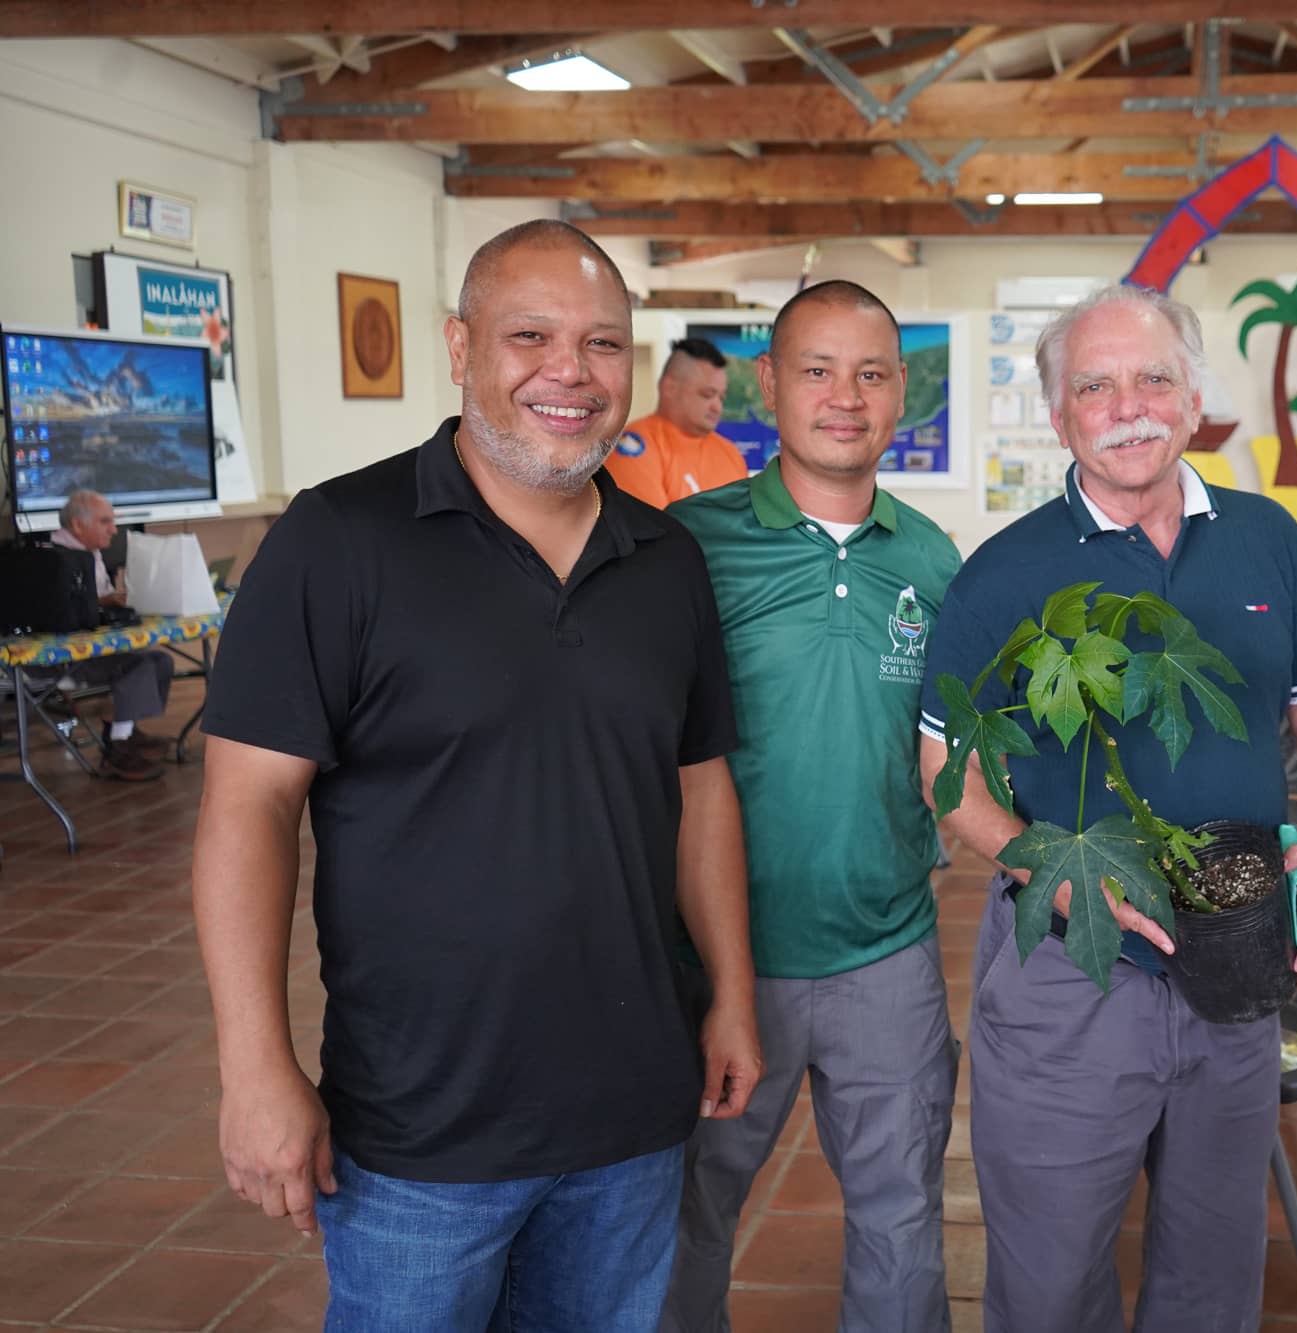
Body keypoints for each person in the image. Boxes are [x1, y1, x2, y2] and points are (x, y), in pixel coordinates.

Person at [190, 220, 762, 1332]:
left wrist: (731, 995)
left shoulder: (666, 560)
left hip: (633, 1114)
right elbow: (247, 808)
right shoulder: (338, 540)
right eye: (530, 335)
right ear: (459, 347)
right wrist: (254, 1067)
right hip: (420, 1130)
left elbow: (700, 789)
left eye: (602, 343)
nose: (569, 371)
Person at [917, 284, 1297, 1333]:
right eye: (1094, 385)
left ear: (1195, 395)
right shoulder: (1004, 575)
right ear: (1057, 412)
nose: (1128, 405)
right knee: (1048, 1273)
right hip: (1071, 971)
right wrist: (1053, 870)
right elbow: (947, 776)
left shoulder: (1267, 541)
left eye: (1153, 377)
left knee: (1212, 1271)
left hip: (1239, 958)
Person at [662, 281, 961, 1333]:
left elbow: (947, 760)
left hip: (888, 953)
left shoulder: (931, 560)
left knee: (899, 1220)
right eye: (817, 370)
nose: (846, 396)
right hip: (718, 958)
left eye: (871, 373)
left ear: (900, 395)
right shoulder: (682, 549)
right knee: (684, 1217)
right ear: (767, 386)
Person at [44, 489, 171, 780]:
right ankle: (117, 748)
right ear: (77, 525)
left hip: (93, 648)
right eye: (105, 522)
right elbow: (68, 611)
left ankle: (124, 729)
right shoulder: (55, 560)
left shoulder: (91, 556)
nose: (114, 530)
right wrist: (105, 603)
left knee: (161, 662)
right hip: (63, 658)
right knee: (137, 665)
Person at [604, 337, 749, 508]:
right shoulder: (637, 445)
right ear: (669, 388)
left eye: (721, 397)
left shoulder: (731, 454)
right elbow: (652, 527)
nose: (717, 406)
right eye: (707, 394)